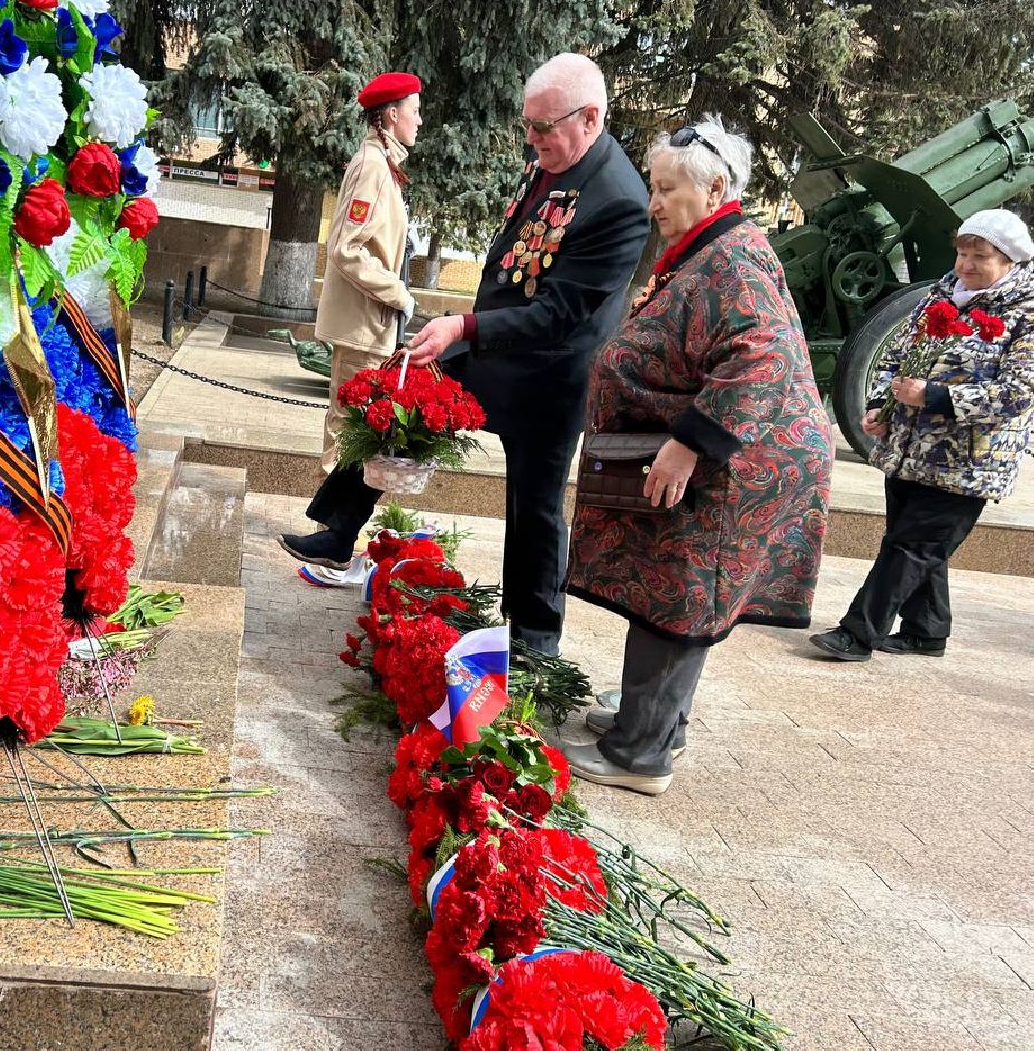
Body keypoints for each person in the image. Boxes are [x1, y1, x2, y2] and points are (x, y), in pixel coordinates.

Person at [560, 116, 834, 795]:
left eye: (665, 188)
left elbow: (761, 358)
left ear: (713, 188)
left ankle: (640, 754)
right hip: (738, 458)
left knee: (678, 596)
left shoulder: (732, 259)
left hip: (737, 467)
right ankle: (652, 720)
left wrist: (687, 446)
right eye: (654, 187)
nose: (653, 203)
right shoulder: (713, 248)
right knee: (677, 592)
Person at [406, 53, 649, 655]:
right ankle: (337, 527)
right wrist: (470, 329)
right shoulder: (554, 157)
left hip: (551, 374)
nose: (531, 138)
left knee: (536, 503)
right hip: (499, 344)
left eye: (543, 127)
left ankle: (535, 636)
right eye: (527, 124)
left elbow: (558, 313)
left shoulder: (618, 200)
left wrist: (465, 326)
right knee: (402, 397)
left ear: (590, 118)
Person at [810, 209, 1034, 661]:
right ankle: (926, 630)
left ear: (1010, 261)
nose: (965, 265)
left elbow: (1019, 393)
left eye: (980, 257)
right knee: (913, 541)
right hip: (908, 446)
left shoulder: (1033, 312)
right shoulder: (942, 294)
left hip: (968, 459)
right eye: (962, 253)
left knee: (912, 545)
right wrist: (882, 403)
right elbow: (896, 355)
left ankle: (858, 633)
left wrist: (937, 397)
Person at [278, 72, 423, 571]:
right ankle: (328, 543)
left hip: (371, 323)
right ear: (390, 116)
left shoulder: (382, 164)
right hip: (364, 324)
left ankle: (334, 538)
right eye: (414, 110)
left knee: (360, 430)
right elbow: (346, 249)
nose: (419, 120)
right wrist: (398, 292)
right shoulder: (371, 167)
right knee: (348, 431)